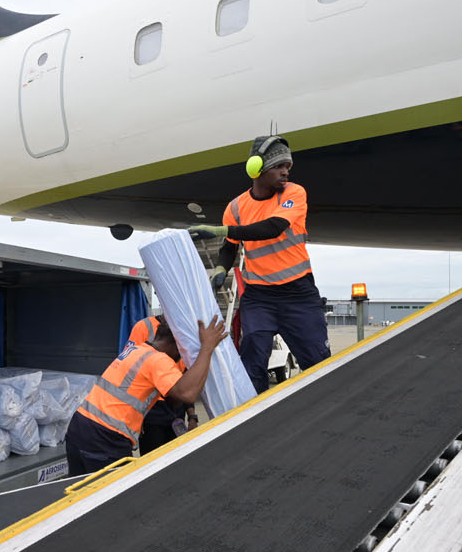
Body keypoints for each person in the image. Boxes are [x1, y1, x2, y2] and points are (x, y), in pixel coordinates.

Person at [191, 135, 330, 394]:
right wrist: (221, 267)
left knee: (316, 359)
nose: (286, 171)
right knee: (253, 354)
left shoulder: (294, 193)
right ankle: (253, 413)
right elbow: (230, 246)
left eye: (288, 166)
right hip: (259, 295)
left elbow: (273, 227)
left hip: (298, 293)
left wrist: (219, 229)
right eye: (279, 166)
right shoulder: (236, 207)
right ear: (256, 168)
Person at [65, 317, 225, 475]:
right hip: (105, 438)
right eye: (183, 352)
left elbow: (174, 401)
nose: (181, 358)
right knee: (112, 496)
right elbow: (188, 394)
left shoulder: (137, 350)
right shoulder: (158, 360)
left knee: (81, 496)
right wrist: (207, 348)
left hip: (80, 427)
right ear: (175, 343)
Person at [123, 315, 198, 453]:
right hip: (153, 407)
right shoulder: (144, 326)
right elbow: (132, 367)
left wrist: (192, 416)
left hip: (176, 406)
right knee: (153, 460)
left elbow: (185, 376)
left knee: (176, 457)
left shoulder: (186, 327)